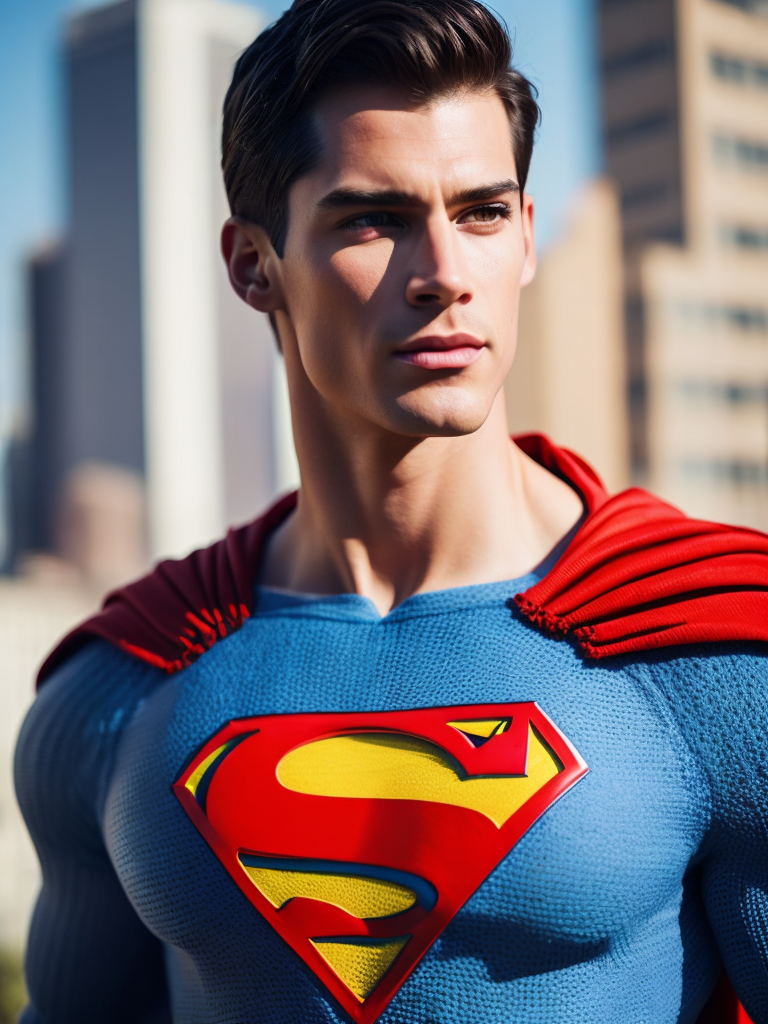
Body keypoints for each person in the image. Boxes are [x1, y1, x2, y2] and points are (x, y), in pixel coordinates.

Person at [14, 1, 768, 1022]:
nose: (445, 276)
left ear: (527, 238)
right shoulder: (114, 695)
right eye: (374, 219)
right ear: (253, 265)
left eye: (482, 212)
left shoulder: (720, 657)